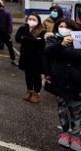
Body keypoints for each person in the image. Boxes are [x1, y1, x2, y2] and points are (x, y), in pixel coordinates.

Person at [44, 19, 81, 150]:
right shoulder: (54, 39)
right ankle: (65, 133)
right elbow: (48, 53)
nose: (64, 28)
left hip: (76, 83)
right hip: (59, 81)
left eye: (67, 27)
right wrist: (62, 44)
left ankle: (76, 136)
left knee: (76, 111)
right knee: (62, 109)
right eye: (61, 26)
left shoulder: (78, 40)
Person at [15, 13, 46, 104]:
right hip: (25, 55)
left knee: (36, 75)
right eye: (30, 19)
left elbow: (41, 44)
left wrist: (25, 39)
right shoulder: (23, 28)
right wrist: (33, 40)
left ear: (38, 21)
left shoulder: (42, 30)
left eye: (34, 19)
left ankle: (37, 93)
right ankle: (29, 91)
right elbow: (17, 39)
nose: (31, 21)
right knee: (27, 74)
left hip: (37, 56)